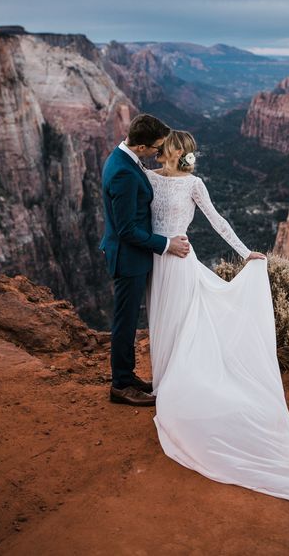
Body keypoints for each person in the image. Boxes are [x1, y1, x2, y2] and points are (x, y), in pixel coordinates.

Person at [144, 129, 289, 509]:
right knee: (168, 318)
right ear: (185, 154)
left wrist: (245, 253)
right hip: (169, 257)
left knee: (175, 321)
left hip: (167, 261)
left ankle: (168, 385)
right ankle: (165, 382)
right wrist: (243, 251)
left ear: (165, 152)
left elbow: (216, 221)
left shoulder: (162, 179)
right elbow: (216, 221)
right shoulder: (173, 181)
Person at [99, 114, 190, 407]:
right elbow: (127, 230)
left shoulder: (123, 159)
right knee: (125, 322)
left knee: (127, 319)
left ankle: (127, 376)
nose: (158, 153)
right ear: (140, 146)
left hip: (132, 257)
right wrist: (167, 244)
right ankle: (120, 385)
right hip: (129, 259)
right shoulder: (124, 173)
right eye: (156, 148)